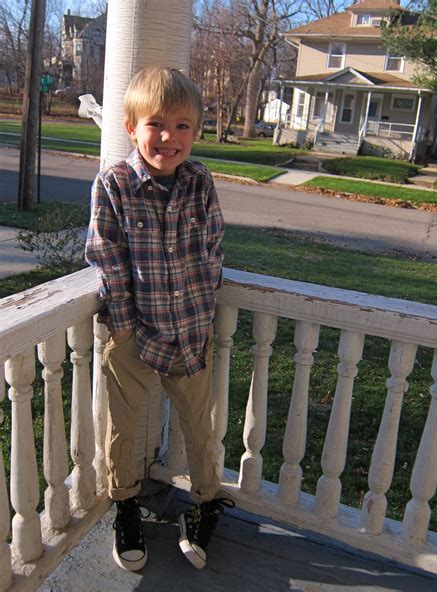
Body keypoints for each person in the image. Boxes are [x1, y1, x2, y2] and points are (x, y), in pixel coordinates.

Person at [85, 67, 232, 573]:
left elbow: (212, 246)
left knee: (199, 421)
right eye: (156, 124)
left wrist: (203, 307)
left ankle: (207, 501)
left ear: (196, 130)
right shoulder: (115, 183)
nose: (169, 138)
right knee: (123, 426)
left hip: (190, 329)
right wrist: (123, 324)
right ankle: (125, 504)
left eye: (183, 126)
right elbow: (106, 254)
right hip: (134, 331)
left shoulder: (200, 181)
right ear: (132, 128)